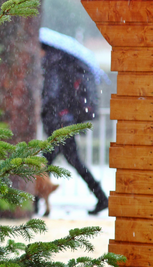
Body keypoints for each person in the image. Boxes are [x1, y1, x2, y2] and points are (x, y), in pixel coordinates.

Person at [38, 44, 108, 215]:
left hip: (59, 125)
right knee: (67, 162)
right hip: (65, 122)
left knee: (47, 164)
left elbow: (52, 97)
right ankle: (101, 197)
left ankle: (34, 202)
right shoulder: (63, 65)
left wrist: (41, 107)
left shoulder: (54, 68)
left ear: (44, 50)